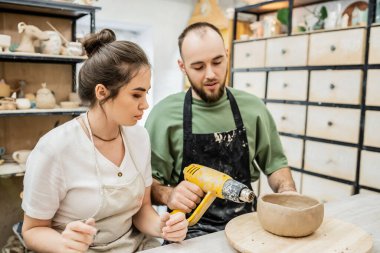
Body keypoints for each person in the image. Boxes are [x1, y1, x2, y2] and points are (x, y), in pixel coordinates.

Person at [21, 29, 188, 253]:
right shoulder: (54, 149)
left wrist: (162, 226)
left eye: (146, 93)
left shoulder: (139, 138)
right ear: (101, 92)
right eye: (136, 95)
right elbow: (31, 231)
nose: (145, 105)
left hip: (135, 245)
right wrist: (65, 243)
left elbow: (142, 210)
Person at [144, 22, 297, 239]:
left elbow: (275, 166)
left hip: (247, 228)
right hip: (187, 234)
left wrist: (287, 192)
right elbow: (147, 186)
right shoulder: (163, 116)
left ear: (227, 55)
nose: (210, 74)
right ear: (182, 66)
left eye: (217, 62)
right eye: (198, 67)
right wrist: (169, 195)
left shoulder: (253, 108)